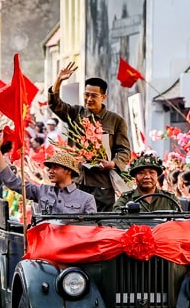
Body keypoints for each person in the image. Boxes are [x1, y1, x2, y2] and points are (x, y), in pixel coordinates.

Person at [48, 62, 131, 211]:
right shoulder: (76, 114)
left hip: (102, 184)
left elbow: (124, 151)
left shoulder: (116, 121)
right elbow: (55, 104)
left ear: (103, 97)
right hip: (77, 181)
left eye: (94, 95)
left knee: (101, 224)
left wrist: (112, 163)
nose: (89, 99)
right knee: (76, 223)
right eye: (86, 95)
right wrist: (59, 80)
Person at [0, 133, 96, 214]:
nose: (51, 170)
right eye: (50, 167)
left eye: (56, 167)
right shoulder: (41, 191)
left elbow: (90, 233)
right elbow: (13, 182)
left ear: (68, 171)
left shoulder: (86, 200)